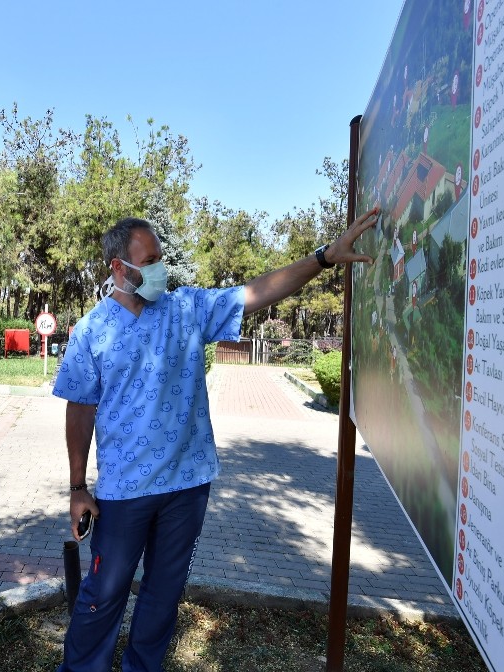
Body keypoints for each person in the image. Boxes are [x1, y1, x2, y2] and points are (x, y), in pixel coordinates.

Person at [53, 207, 379, 671]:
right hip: (124, 492)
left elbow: (256, 292)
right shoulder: (91, 332)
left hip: (187, 487)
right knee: (103, 597)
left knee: (162, 601)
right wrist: (77, 487)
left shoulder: (186, 309)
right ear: (119, 268)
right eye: (150, 260)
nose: (160, 269)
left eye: (161, 258)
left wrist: (323, 258)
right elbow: (80, 410)